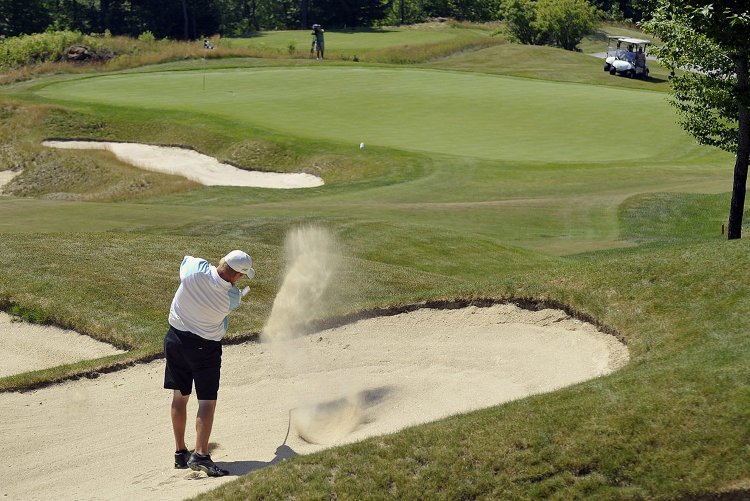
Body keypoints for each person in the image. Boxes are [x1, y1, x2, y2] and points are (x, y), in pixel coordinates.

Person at [163, 250, 255, 477]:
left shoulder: (195, 269)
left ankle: (180, 453)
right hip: (204, 349)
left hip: (174, 339)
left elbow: (186, 262)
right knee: (206, 402)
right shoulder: (232, 298)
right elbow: (223, 323)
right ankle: (201, 455)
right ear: (236, 276)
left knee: (179, 396)